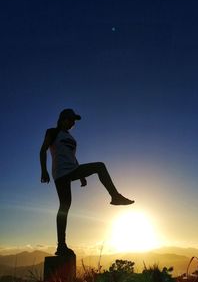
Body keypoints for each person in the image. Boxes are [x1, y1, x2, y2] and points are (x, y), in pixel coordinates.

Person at [40, 108, 134, 256]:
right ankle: (61, 245)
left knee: (99, 167)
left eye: (74, 121)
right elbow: (43, 150)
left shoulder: (70, 137)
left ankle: (115, 197)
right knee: (65, 205)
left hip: (72, 170)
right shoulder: (52, 132)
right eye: (70, 120)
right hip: (60, 173)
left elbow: (72, 156)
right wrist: (44, 170)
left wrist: (81, 175)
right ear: (63, 119)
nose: (72, 123)